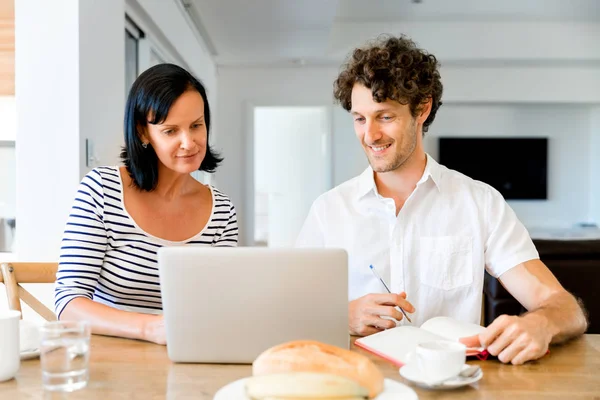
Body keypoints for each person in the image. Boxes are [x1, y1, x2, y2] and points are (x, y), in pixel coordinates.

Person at [296, 35, 587, 364]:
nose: (370, 135)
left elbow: (564, 307)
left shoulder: (480, 203)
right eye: (360, 119)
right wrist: (341, 315)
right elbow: (292, 309)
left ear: (422, 109)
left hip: (454, 386)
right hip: (358, 381)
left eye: (385, 117)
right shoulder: (328, 210)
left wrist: (539, 324)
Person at [54, 64, 238, 345]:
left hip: (186, 359)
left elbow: (219, 305)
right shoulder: (102, 190)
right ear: (143, 133)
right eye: (170, 130)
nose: (188, 143)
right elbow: (69, 303)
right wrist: (151, 329)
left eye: (196, 126)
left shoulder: (222, 212)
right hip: (109, 363)